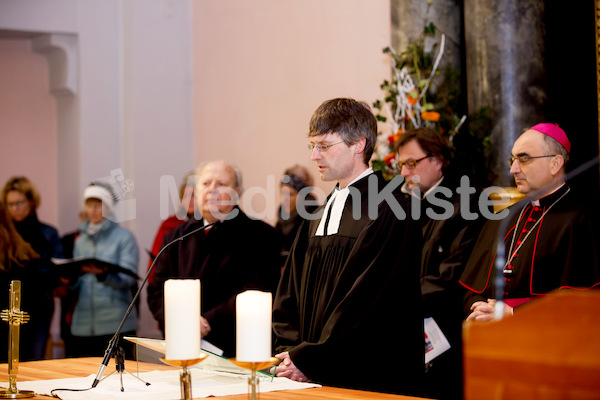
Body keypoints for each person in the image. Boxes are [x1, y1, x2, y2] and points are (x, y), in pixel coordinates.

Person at [271, 98, 424, 395]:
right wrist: (290, 353)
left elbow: (368, 301)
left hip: (368, 377)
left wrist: (308, 358)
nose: (315, 155)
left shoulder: (393, 210)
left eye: (325, 146)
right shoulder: (316, 215)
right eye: (312, 146)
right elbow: (288, 292)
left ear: (358, 144)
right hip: (308, 374)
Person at [460, 123, 600, 322]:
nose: (513, 169)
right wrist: (479, 308)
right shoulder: (503, 217)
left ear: (555, 164)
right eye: (513, 159)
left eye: (524, 159)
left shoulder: (579, 220)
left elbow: (581, 304)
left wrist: (514, 314)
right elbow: (472, 287)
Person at [147, 160, 283, 357]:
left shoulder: (262, 235)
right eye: (206, 184)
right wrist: (181, 321)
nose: (212, 190)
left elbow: (257, 289)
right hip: (183, 345)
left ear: (237, 192)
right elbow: (157, 289)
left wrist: (208, 321)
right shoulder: (175, 237)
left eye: (221, 184)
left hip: (235, 348)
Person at [396, 127, 487, 400]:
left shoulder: (467, 203)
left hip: (447, 329)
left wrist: (397, 300)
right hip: (411, 321)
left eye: (412, 163)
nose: (403, 173)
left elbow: (453, 274)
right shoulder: (410, 203)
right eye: (401, 164)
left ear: (437, 160)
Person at [68, 182, 139, 358]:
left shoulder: (124, 237)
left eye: (98, 205)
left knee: (118, 378)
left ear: (107, 207)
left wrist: (105, 274)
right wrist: (69, 280)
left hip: (115, 322)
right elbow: (79, 284)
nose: (92, 210)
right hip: (83, 324)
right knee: (83, 379)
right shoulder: (81, 240)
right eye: (89, 205)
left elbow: (129, 277)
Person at [1, 176, 64, 360]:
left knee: (32, 362)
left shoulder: (47, 233)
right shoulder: (3, 234)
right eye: (9, 204)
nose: (15, 208)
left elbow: (56, 273)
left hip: (37, 310)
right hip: (5, 309)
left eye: (19, 202)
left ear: (31, 201)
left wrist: (28, 269)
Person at [147, 170, 197, 284]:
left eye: (194, 195)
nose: (189, 200)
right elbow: (154, 263)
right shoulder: (170, 224)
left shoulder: (209, 226)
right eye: (185, 195)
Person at [275, 165, 318, 268]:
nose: (285, 199)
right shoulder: (282, 219)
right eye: (283, 193)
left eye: (291, 194)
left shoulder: (313, 217)